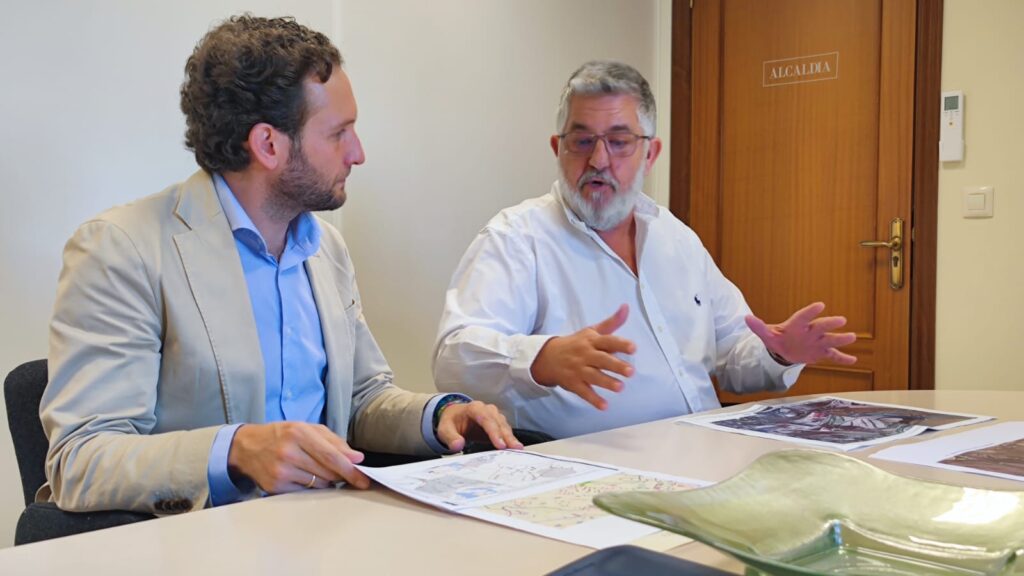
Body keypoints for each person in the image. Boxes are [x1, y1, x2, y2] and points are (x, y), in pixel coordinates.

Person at [40, 15, 521, 515]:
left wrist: (439, 415)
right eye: (339, 133)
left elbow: (360, 400)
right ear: (268, 145)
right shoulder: (121, 249)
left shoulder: (325, 248)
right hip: (203, 546)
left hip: (327, 531)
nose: (358, 154)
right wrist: (236, 451)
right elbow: (81, 461)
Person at [432, 61, 857, 439]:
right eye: (581, 142)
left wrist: (780, 351)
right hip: (584, 474)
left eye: (619, 142)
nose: (599, 159)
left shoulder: (677, 238)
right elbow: (453, 356)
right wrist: (541, 358)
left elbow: (732, 352)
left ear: (650, 153)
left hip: (704, 451)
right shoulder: (516, 237)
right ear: (557, 149)